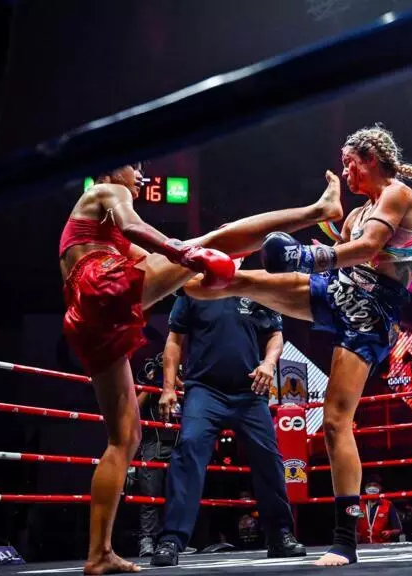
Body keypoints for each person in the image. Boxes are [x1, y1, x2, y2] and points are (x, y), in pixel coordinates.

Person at [185, 125, 412, 565]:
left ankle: (345, 542)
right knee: (231, 281)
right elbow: (345, 253)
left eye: (350, 163)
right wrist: (317, 246)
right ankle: (174, 265)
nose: (346, 171)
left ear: (371, 158)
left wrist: (305, 256)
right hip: (338, 290)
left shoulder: (398, 195)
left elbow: (368, 248)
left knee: (334, 422)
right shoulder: (358, 213)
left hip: (371, 312)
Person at [59, 162, 341, 574]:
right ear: (112, 169)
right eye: (135, 168)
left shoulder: (102, 237)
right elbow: (136, 227)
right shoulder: (105, 191)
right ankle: (318, 210)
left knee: (125, 438)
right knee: (219, 237)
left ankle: (98, 554)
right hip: (101, 289)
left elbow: (168, 274)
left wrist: (207, 268)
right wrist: (188, 252)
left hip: (89, 321)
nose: (140, 177)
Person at [149, 258, 305, 566]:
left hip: (249, 393)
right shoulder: (193, 288)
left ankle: (280, 535)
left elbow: (275, 335)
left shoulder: (256, 288)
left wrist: (268, 364)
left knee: (268, 456)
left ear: (242, 256)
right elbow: (174, 339)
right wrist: (168, 387)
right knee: (188, 448)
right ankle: (171, 540)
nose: (231, 254)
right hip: (204, 390)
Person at [133, 355, 177, 557]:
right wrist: (150, 383)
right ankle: (147, 540)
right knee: (150, 496)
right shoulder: (149, 387)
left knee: (178, 495)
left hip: (178, 444)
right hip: (153, 444)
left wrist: (174, 379)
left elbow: (192, 398)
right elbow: (134, 407)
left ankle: (173, 539)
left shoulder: (179, 383)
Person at [357, 474, 402, 544]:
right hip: (362, 545)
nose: (372, 488)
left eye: (375, 485)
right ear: (365, 488)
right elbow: (352, 526)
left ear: (380, 488)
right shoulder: (359, 505)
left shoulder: (388, 505)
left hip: (383, 545)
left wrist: (390, 532)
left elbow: (398, 529)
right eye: (369, 485)